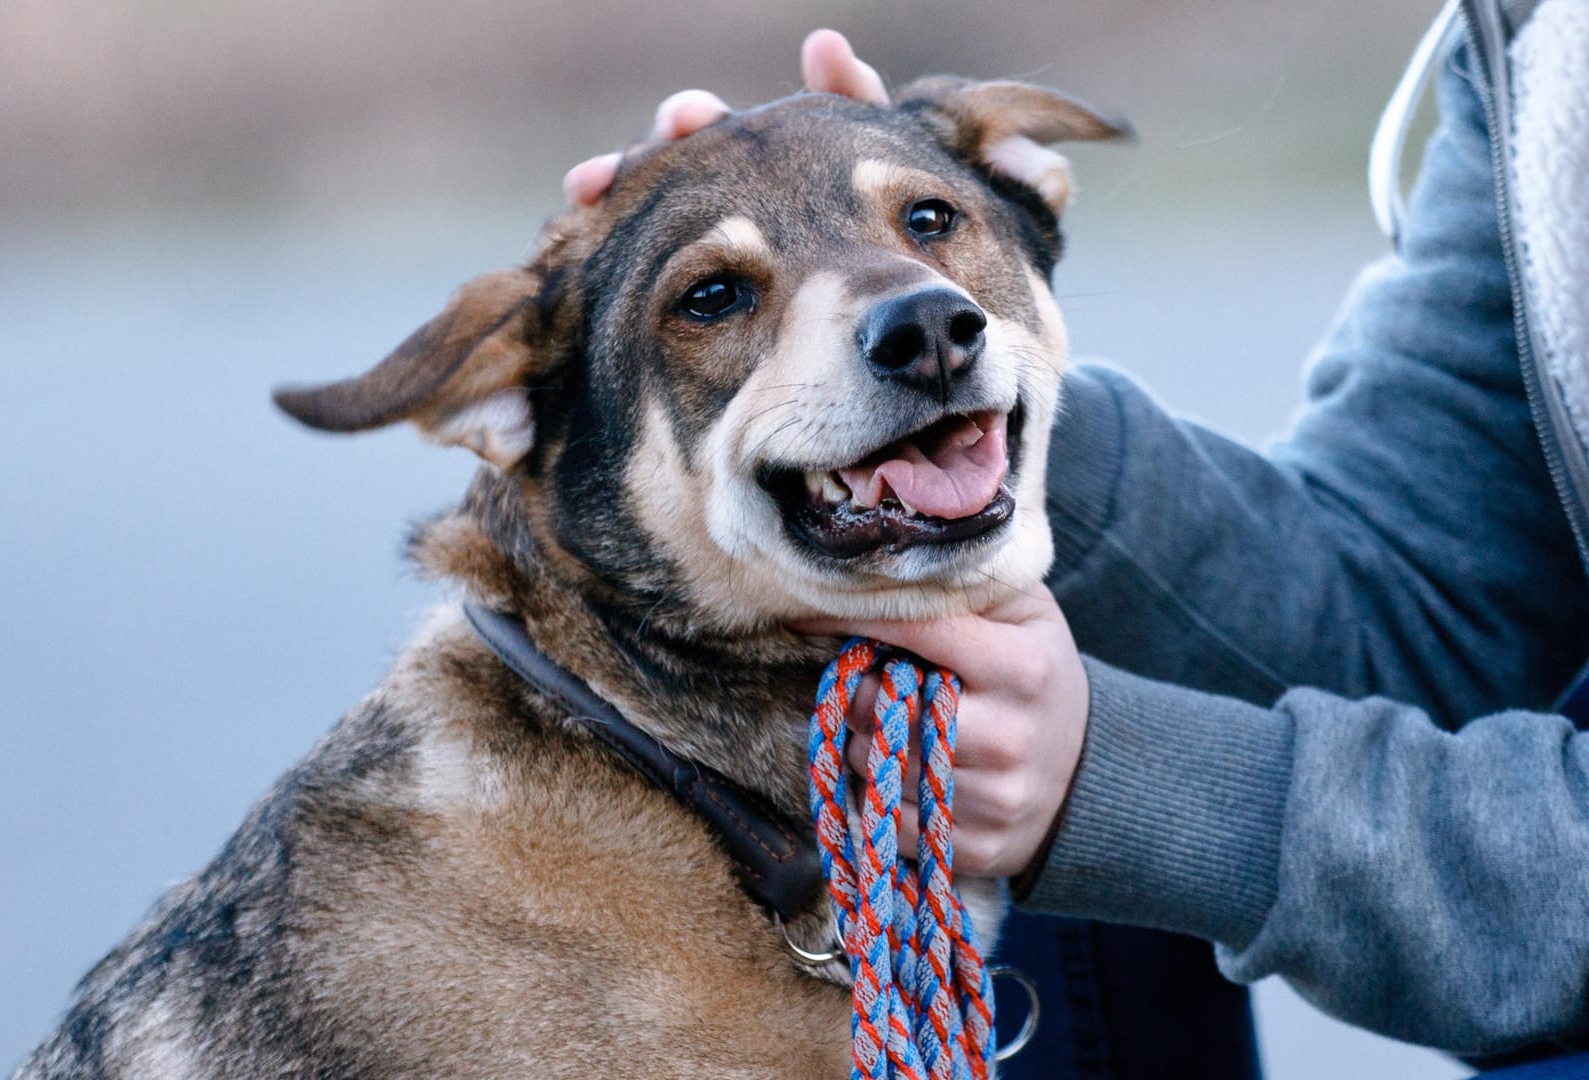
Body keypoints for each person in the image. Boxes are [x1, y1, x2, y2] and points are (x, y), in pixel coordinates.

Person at [564, 5, 1589, 1077]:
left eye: (928, 222)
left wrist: (1118, 789)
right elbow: (1425, 609)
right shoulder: (1547, 36)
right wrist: (941, 432)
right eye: (718, 295)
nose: (921, 296)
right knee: (991, 688)